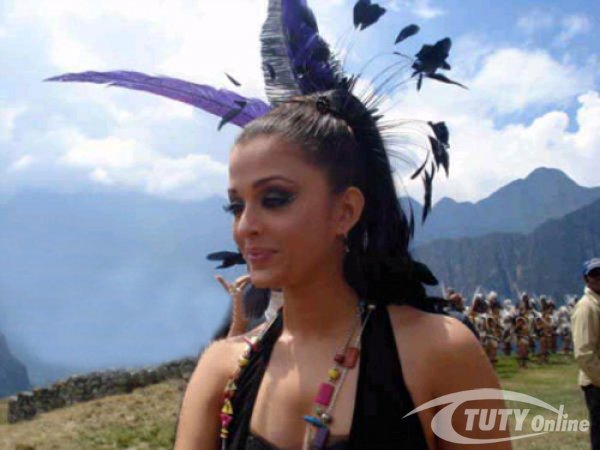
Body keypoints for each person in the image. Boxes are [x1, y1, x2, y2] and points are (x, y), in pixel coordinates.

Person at [46, 1, 510, 448]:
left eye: (274, 199)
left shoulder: (439, 354)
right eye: (236, 206)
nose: (245, 227)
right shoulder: (222, 371)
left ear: (345, 211)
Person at [572, 258, 600, 450]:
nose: (599, 278)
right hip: (596, 384)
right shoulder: (586, 307)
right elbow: (583, 353)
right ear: (586, 279)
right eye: (594, 274)